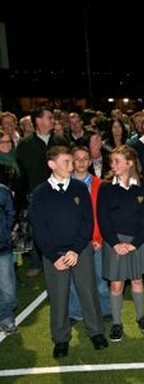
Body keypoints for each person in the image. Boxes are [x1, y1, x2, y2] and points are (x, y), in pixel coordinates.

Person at [29, 146, 108, 358]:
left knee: (88, 292)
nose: (71, 166)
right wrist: (54, 256)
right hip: (53, 255)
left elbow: (87, 222)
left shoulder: (80, 188)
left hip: (80, 250)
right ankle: (61, 338)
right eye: (66, 162)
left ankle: (96, 332)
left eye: (71, 162)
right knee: (58, 297)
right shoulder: (40, 193)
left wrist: (75, 250)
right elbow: (39, 228)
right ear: (51, 164)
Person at [97, 145, 144, 342]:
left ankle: (141, 317)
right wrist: (115, 244)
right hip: (114, 242)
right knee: (116, 284)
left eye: (116, 161)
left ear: (129, 163)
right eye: (111, 161)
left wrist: (135, 243)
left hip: (136, 242)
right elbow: (103, 218)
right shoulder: (105, 188)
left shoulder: (143, 186)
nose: (112, 165)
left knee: (138, 280)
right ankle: (116, 323)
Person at [16, 105, 69, 278]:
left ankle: (62, 257)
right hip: (35, 193)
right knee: (36, 229)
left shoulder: (61, 141)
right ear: (38, 120)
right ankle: (37, 262)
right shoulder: (24, 144)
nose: (52, 120)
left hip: (60, 192)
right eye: (49, 117)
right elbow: (21, 172)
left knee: (60, 225)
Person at [67, 146, 111, 322]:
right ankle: (75, 311)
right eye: (77, 158)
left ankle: (105, 308)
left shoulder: (99, 185)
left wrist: (99, 239)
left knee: (100, 279)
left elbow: (102, 216)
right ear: (71, 160)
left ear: (90, 162)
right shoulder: (64, 184)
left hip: (96, 240)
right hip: (72, 242)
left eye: (85, 159)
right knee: (73, 281)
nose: (81, 162)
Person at [0, 167, 17, 335]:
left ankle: (5, 316)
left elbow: (11, 215)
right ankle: (6, 320)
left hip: (2, 248)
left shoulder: (3, 192)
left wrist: (3, 232)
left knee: (8, 289)